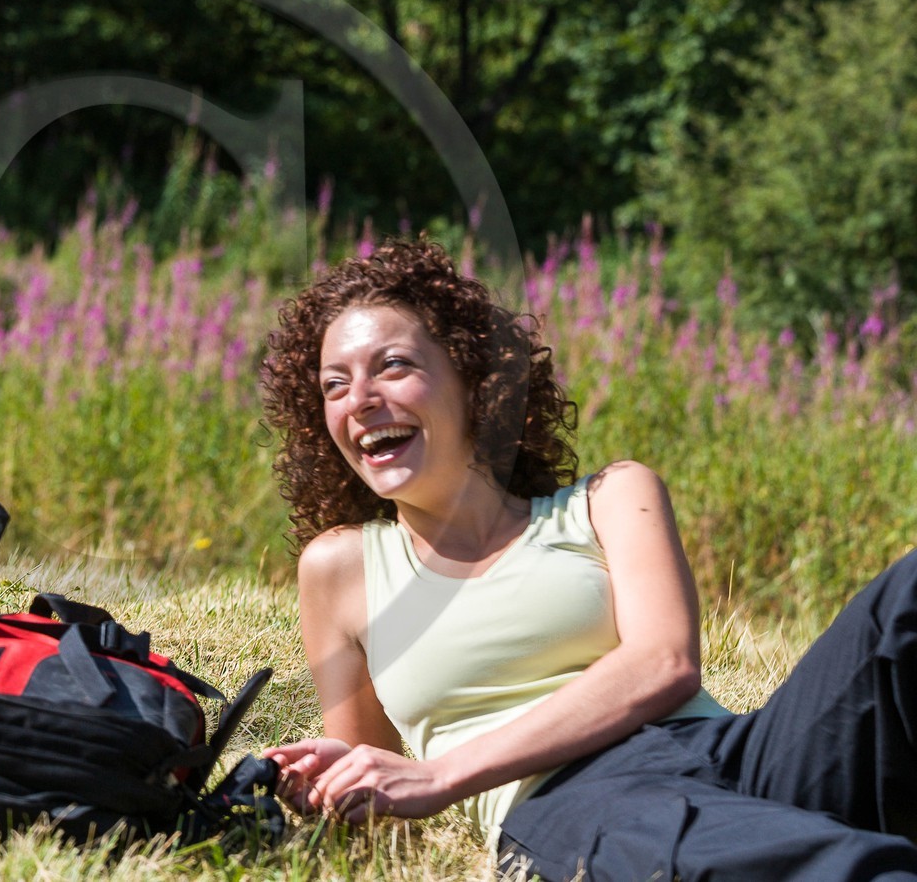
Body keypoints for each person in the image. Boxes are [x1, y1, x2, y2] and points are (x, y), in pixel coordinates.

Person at [258, 238, 917, 881]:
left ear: (473, 379)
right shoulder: (341, 569)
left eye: (393, 366)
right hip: (575, 798)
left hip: (734, 753)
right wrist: (329, 780)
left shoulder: (610, 497)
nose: (361, 399)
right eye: (334, 385)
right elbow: (376, 786)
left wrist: (442, 774)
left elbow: (665, 663)